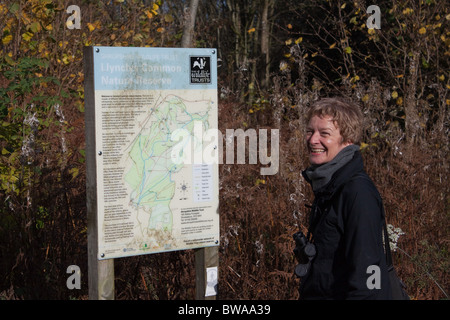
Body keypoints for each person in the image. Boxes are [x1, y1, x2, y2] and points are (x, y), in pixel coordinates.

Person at [295, 97, 392, 300]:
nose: (313, 140)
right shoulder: (329, 186)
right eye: (310, 131)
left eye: (324, 134)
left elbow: (369, 276)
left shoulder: (357, 192)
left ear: (347, 140)